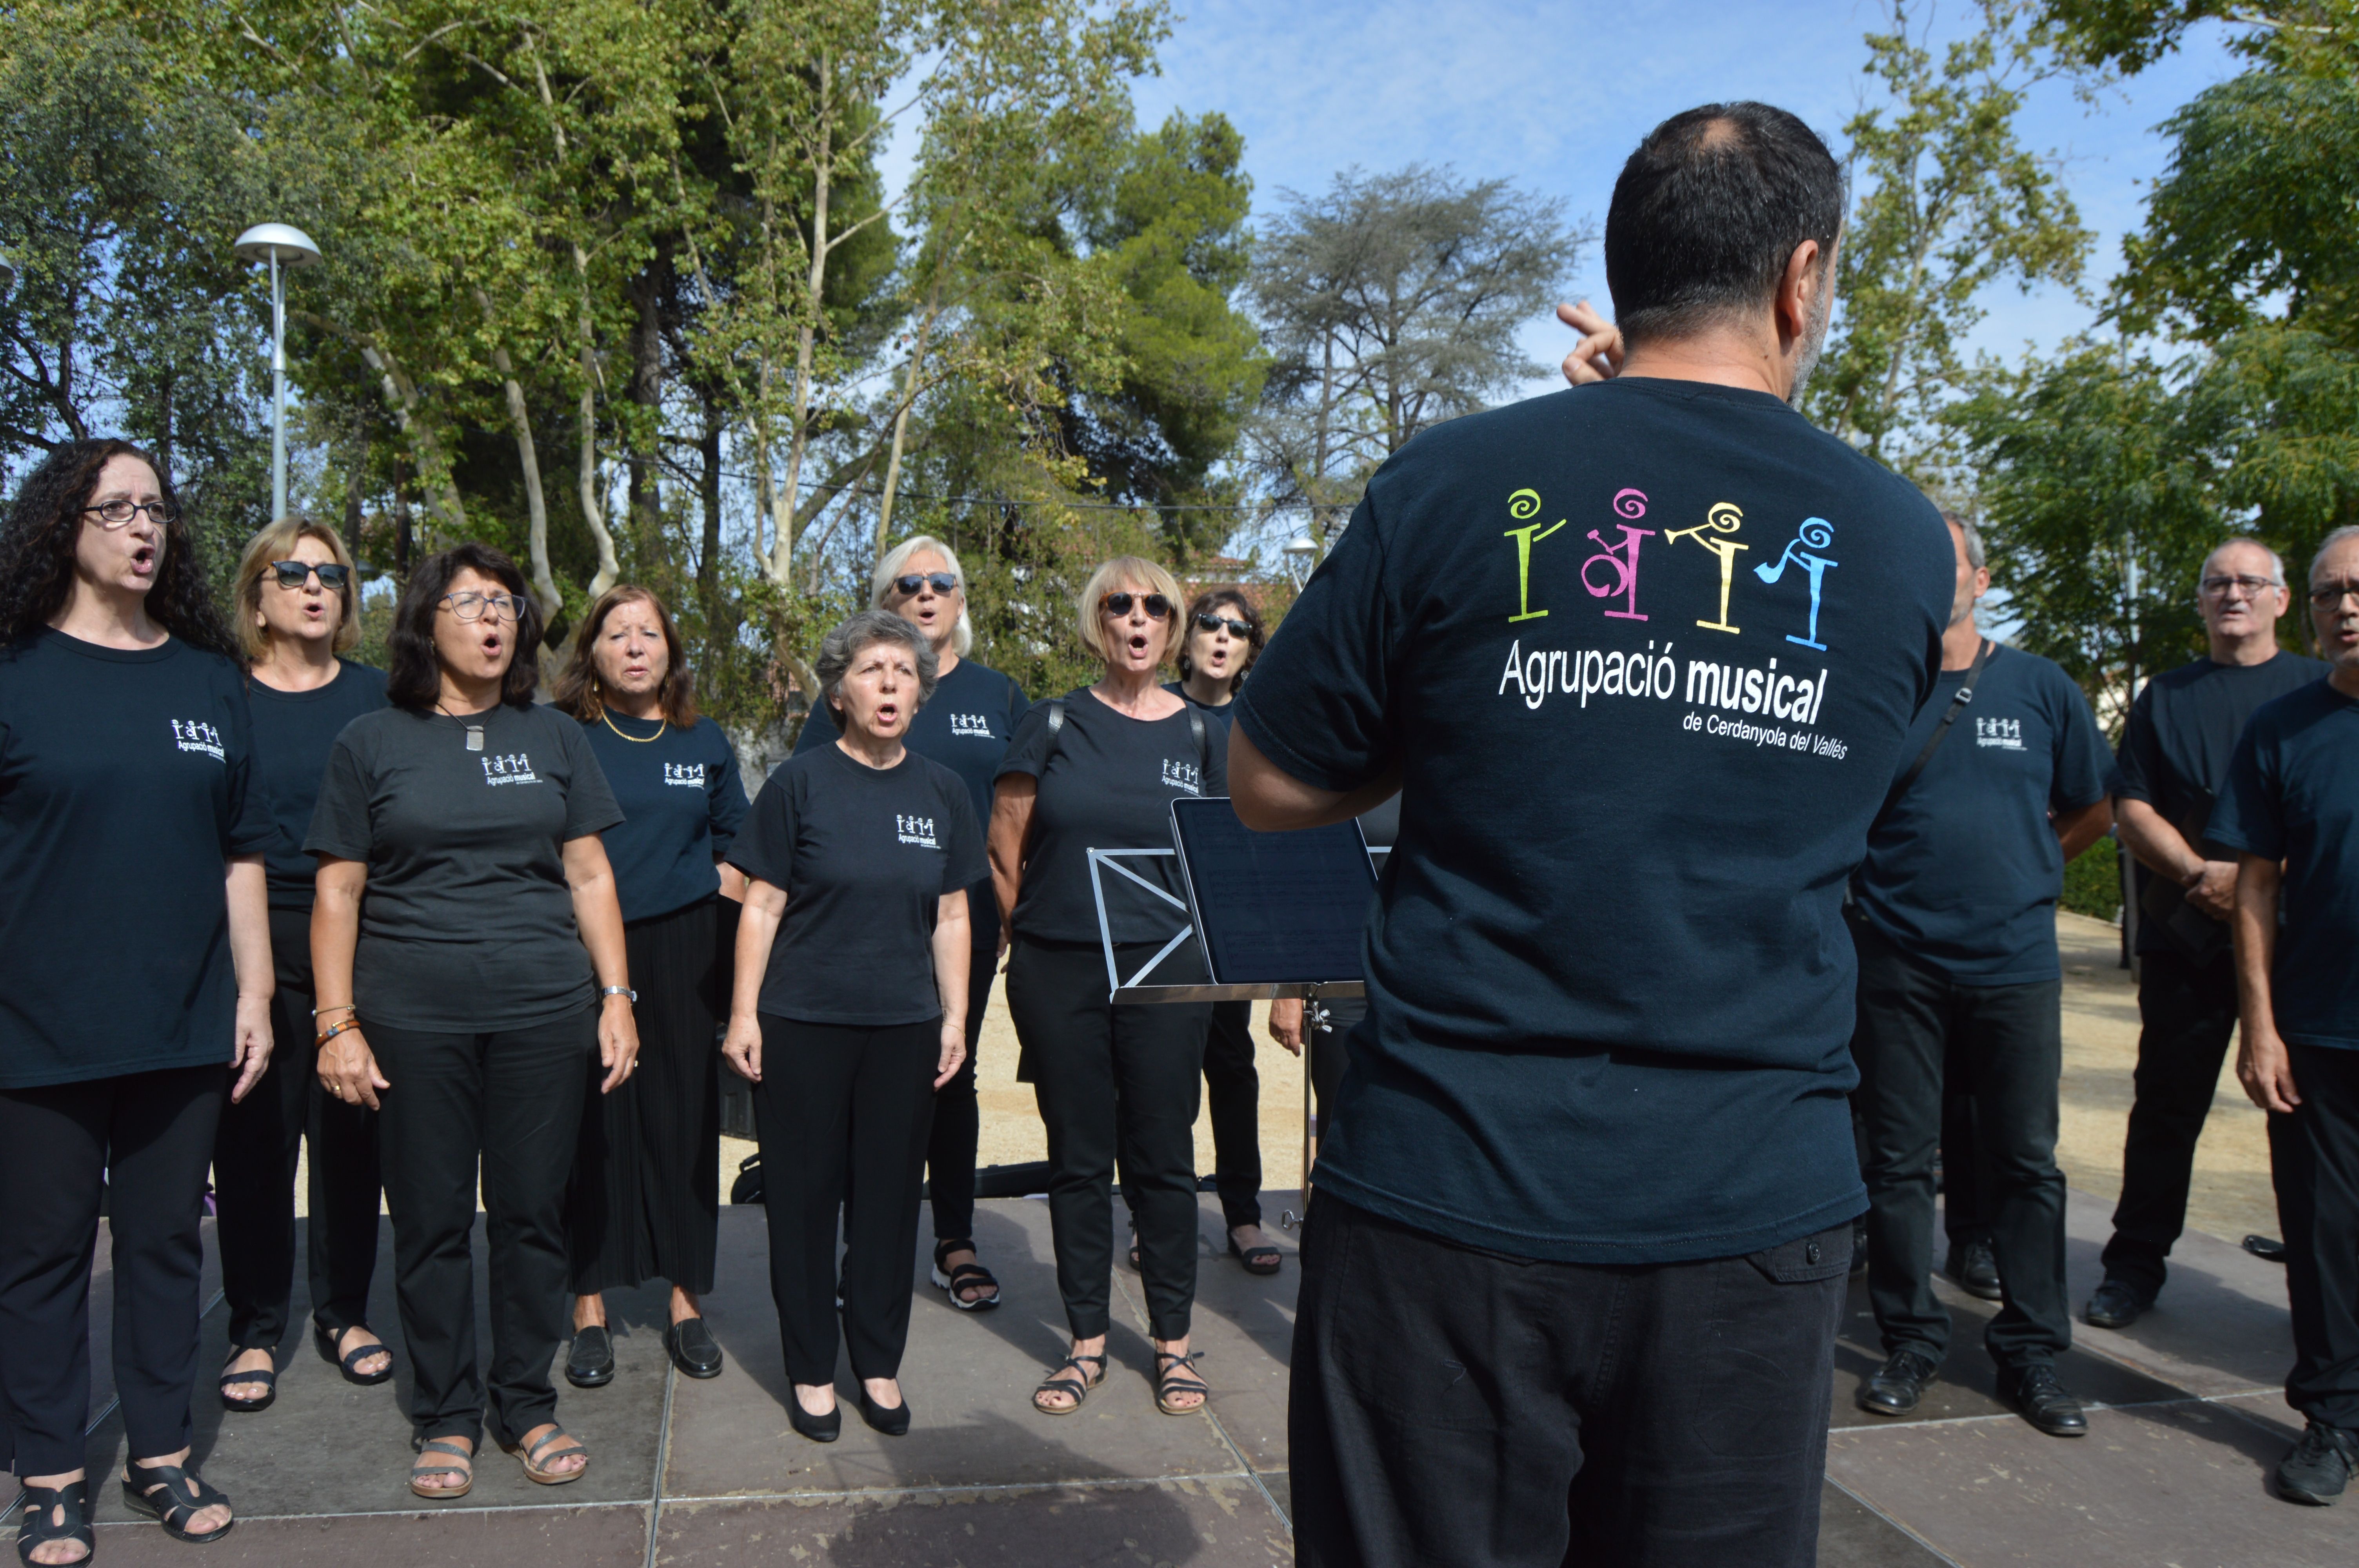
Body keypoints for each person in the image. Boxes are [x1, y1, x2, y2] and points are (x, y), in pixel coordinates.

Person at [1227, 103, 1960, 1566]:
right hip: (1748, 1215)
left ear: (1622, 276)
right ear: (1799, 278)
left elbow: (1265, 779)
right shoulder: (1901, 544)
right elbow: (1867, 803)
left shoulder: (1450, 484)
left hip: (1451, 1195)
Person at [305, 543, 637, 1500]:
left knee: (533, 1214)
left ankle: (525, 1401)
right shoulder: (370, 741)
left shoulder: (556, 737)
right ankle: (445, 1413)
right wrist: (338, 1023)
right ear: (427, 620)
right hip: (413, 1019)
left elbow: (588, 875)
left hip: (543, 1013)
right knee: (433, 1221)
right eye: (471, 602)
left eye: (507, 603)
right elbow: (337, 890)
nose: (494, 619)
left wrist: (616, 998)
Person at [0, 439, 271, 1561]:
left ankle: (161, 1454)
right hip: (36, 1024)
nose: (142, 528)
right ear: (63, 524)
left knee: (166, 1246)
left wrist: (253, 990)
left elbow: (240, 852)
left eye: (155, 508)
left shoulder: (209, 680)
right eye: (114, 509)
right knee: (44, 1254)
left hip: (183, 1019)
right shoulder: (14, 673)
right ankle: (49, 1474)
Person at [1848, 516, 2114, 1436]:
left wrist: (2032, 868)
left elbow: (2091, 804)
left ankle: (2033, 1352)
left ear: (1981, 577)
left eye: (1946, 559)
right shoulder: (1876, 686)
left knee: (2024, 1163)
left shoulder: (2041, 687)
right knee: (1893, 1163)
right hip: (1896, 963)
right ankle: (1909, 1340)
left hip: (2012, 965)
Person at [724, 611, 979, 1442]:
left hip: (904, 1028)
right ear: (838, 690)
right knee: (801, 1202)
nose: (889, 685)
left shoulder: (942, 789)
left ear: (921, 691)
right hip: (802, 1022)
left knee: (884, 1204)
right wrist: (742, 1014)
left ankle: (876, 1359)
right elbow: (760, 904)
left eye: (904, 673)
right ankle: (809, 1367)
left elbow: (950, 912)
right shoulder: (800, 782)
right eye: (872, 670)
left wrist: (955, 1016)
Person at [991, 557, 1225, 1419]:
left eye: (1154, 606)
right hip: (1061, 967)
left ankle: (1171, 1341)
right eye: (1118, 605)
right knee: (1079, 1155)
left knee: (1163, 1155)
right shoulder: (1050, 721)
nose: (1137, 617)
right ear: (1097, 621)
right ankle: (1085, 1339)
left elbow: (1227, 853)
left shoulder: (1203, 735)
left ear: (1171, 627)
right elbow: (1002, 845)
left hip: (1168, 971)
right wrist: (1042, 933)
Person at [2088, 539, 2326, 1328]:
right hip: (2183, 936)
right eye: (2216, 581)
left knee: (2306, 1113)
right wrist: (2197, 874)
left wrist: (2261, 879)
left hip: (2296, 941)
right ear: (2198, 600)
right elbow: (2130, 807)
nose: (2232, 593)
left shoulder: (2316, 690)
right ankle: (2132, 1262)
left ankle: (2318, 1270)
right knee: (2164, 1103)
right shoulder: (2165, 696)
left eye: (2248, 581)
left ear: (2282, 600)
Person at [794, 537, 1027, 1311]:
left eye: (942, 581)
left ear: (962, 598)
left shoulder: (999, 694)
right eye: (908, 583)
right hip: (860, 929)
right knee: (865, 1087)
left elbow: (1024, 812)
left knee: (949, 1074)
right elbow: (801, 805)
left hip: (966, 919)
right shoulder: (846, 692)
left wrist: (1017, 912)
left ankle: (953, 1238)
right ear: (883, 599)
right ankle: (863, 1251)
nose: (926, 593)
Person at [213, 517, 394, 1418]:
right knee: (253, 1143)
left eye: (332, 574)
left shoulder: (380, 695)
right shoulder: (222, 697)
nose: (316, 586)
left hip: (360, 941)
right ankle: (254, 1324)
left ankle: (345, 1312)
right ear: (259, 594)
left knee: (350, 1140)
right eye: (295, 572)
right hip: (251, 941)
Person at [554, 586, 749, 1386]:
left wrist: (707, 908)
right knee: (591, 1126)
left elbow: (742, 843)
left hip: (684, 950)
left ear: (670, 650)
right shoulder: (562, 737)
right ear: (591, 652)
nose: (635, 645)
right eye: (616, 632)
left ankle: (683, 1299)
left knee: (682, 1123)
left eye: (650, 633)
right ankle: (589, 1305)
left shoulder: (703, 740)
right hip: (582, 952)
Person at [2210, 523, 2359, 1506]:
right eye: (2327, 593)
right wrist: (2258, 1027)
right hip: (2318, 1029)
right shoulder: (2282, 728)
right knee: (2324, 1237)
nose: (2345, 606)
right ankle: (2333, 1416)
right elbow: (2252, 886)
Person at [1161, 589, 1282, 1273]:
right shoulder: (1156, 712)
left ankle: (1243, 1215)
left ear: (1249, 651)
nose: (1221, 637)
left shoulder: (1259, 722)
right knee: (1162, 1080)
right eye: (1210, 623)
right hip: (1160, 919)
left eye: (1237, 631)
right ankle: (1162, 1217)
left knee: (1232, 1069)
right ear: (1189, 636)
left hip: (1232, 920)